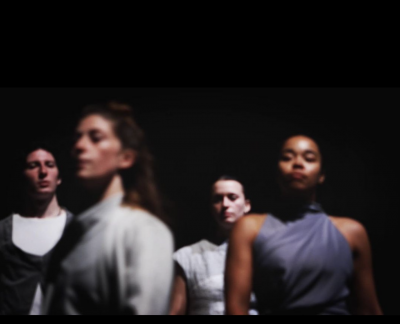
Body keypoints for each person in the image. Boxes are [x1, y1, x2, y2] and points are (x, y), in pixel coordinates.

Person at [225, 135, 383, 315]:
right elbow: (236, 309)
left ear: (322, 174)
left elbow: (368, 309)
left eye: (309, 158)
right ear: (277, 172)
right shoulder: (249, 228)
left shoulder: (352, 232)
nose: (298, 163)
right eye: (287, 157)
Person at [42, 102, 174, 315]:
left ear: (126, 157)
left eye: (96, 138)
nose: (80, 146)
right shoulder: (73, 233)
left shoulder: (142, 229)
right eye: (77, 137)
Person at [0, 142, 73, 315]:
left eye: (50, 165)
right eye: (33, 166)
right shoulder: (3, 231)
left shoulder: (76, 230)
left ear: (59, 176)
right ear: (23, 175)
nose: (43, 172)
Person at [170, 175, 258, 315]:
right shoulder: (186, 256)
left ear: (246, 205)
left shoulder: (264, 253)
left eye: (232, 197)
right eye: (217, 199)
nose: (225, 204)